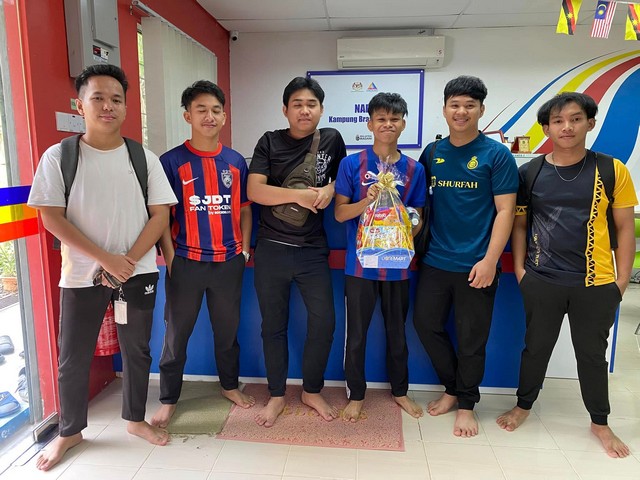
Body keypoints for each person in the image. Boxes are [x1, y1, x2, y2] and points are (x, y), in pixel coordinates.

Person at [27, 64, 177, 471]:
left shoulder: (142, 158)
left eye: (116, 99)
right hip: (81, 274)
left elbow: (160, 215)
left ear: (126, 107)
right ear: (80, 105)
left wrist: (126, 262)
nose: (108, 106)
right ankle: (70, 431)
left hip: (137, 273)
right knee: (72, 355)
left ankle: (134, 420)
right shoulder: (59, 157)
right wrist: (105, 259)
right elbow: (51, 218)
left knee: (137, 350)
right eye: (98, 98)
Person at [496, 92, 637, 458]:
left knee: (591, 355)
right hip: (542, 279)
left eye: (575, 119)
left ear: (590, 123)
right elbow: (520, 225)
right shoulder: (530, 172)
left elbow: (625, 228)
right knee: (535, 348)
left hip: (596, 283)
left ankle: (600, 422)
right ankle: (523, 406)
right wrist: (521, 270)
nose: (567, 127)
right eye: (558, 121)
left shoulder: (611, 169)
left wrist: (621, 280)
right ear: (546, 129)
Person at [412, 75, 518, 437]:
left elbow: (505, 211)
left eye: (469, 105)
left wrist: (490, 261)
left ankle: (467, 405)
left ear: (481, 110)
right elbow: (418, 205)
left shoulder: (496, 155)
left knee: (472, 339)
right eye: (455, 105)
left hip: (478, 265)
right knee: (425, 325)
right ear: (444, 110)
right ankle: (453, 389)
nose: (461, 111)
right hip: (435, 261)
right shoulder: (433, 153)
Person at [151, 80, 255, 429]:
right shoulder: (171, 162)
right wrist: (171, 260)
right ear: (188, 116)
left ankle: (229, 386)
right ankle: (168, 399)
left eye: (215, 110)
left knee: (227, 332)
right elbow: (161, 216)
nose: (209, 116)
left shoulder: (235, 161)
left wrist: (243, 251)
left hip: (228, 263)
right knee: (176, 336)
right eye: (201, 110)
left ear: (224, 116)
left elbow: (244, 209)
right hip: (186, 263)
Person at [247, 76, 346, 427]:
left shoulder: (332, 139)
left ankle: (311, 390)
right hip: (271, 249)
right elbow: (255, 191)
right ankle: (276, 395)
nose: (305, 110)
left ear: (321, 109)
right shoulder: (269, 141)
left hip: (312, 250)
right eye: (298, 104)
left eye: (311, 104)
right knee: (273, 326)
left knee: (325, 322)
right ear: (285, 109)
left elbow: (345, 179)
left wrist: (331, 188)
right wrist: (299, 196)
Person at [334, 92, 426, 422]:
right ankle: (356, 394)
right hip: (360, 267)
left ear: (403, 124)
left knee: (397, 333)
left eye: (394, 119)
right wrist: (368, 203)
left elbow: (418, 219)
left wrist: (397, 221)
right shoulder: (351, 165)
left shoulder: (415, 169)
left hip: (398, 267)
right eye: (381, 119)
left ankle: (400, 391)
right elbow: (340, 214)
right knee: (356, 335)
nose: (388, 124)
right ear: (370, 124)